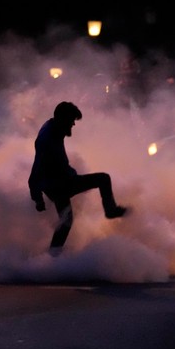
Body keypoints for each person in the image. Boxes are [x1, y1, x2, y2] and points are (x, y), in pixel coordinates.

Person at [28, 101, 129, 256]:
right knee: (103, 178)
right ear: (62, 120)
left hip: (60, 181)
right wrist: (38, 199)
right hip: (60, 184)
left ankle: (53, 256)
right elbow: (35, 173)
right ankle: (111, 211)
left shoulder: (54, 129)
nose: (73, 125)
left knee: (66, 221)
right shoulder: (46, 140)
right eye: (71, 121)